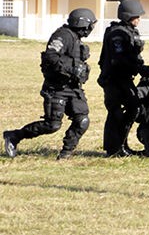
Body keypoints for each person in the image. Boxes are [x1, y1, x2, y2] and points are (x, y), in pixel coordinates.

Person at [3, 8, 97, 160]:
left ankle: (66, 154)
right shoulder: (63, 36)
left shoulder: (76, 38)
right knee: (52, 125)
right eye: (90, 26)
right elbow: (50, 57)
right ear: (83, 24)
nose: (91, 29)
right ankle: (14, 136)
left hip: (73, 88)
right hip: (56, 88)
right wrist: (72, 68)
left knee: (82, 120)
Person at [98, 0, 149, 157]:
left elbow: (134, 56)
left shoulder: (130, 31)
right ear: (127, 16)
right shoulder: (117, 34)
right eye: (136, 16)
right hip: (114, 78)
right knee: (116, 112)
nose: (139, 19)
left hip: (125, 78)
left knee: (133, 109)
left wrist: (143, 69)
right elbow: (120, 60)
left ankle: (121, 145)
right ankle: (114, 149)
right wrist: (143, 69)